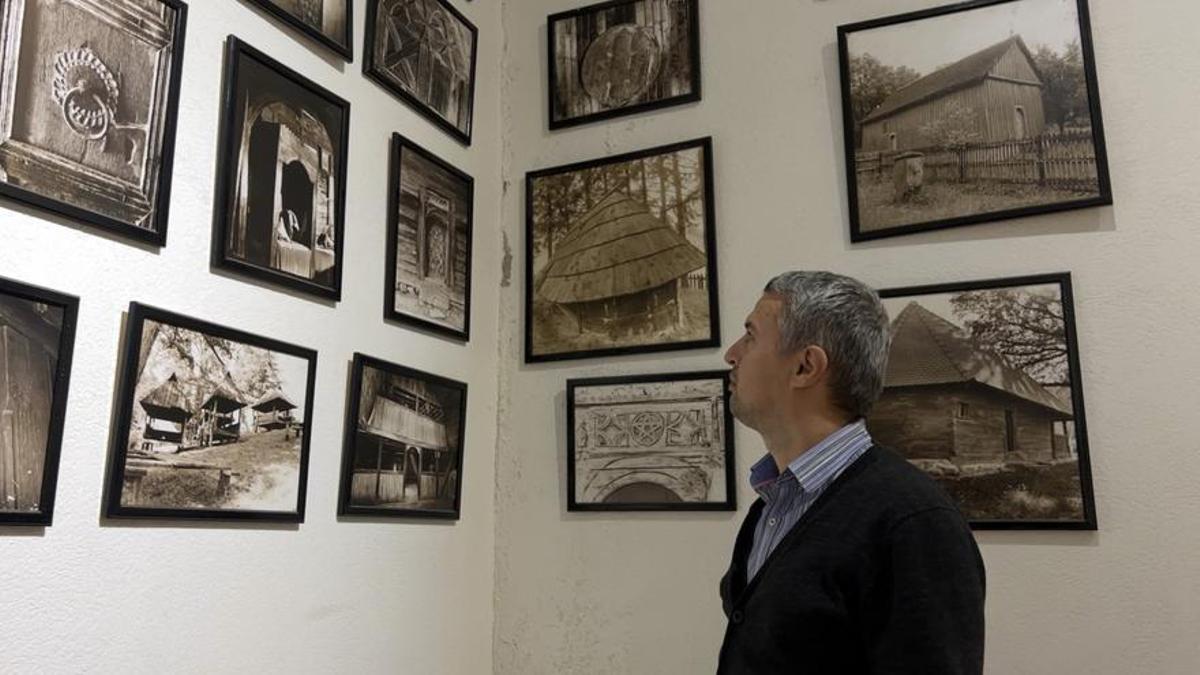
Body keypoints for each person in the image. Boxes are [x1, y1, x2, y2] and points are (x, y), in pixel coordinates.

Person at [717, 271, 985, 675]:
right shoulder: (772, 505)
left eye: (750, 335)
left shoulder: (912, 523)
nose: (732, 354)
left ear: (805, 366)